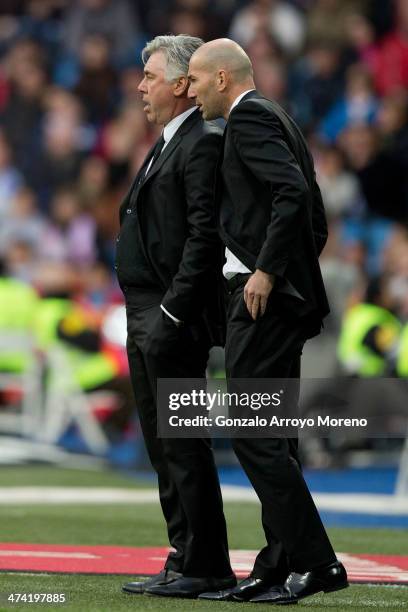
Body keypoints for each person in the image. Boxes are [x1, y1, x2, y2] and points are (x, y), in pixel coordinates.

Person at [187, 38, 348, 605]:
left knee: (255, 435)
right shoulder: (277, 114)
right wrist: (295, 274)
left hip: (262, 301)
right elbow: (314, 211)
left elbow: (293, 192)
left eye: (199, 81)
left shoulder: (249, 117)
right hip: (281, 301)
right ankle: (278, 566)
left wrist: (268, 273)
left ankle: (318, 562)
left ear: (224, 79)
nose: (194, 91)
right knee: (273, 436)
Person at [115, 35, 235, 598]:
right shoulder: (171, 141)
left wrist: (170, 312)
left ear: (184, 85)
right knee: (165, 447)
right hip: (147, 312)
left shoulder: (201, 140)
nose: (141, 85)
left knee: (183, 444)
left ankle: (206, 563)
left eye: (151, 75)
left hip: (169, 316)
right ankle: (184, 554)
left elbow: (203, 238)